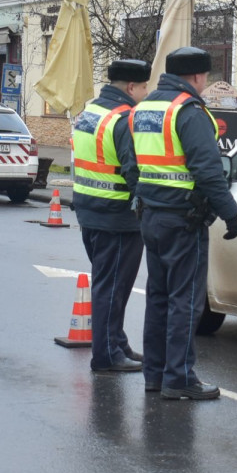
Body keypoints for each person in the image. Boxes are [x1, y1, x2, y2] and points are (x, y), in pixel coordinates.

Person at [132, 46, 237, 400]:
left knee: (158, 297)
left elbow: (132, 163)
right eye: (205, 77)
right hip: (183, 218)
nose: (206, 83)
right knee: (185, 299)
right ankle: (178, 378)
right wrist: (229, 211)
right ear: (196, 76)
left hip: (151, 214)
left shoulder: (144, 107)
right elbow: (208, 170)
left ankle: (155, 374)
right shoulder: (188, 110)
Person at [72, 59, 152, 374]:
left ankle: (116, 341)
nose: (145, 93)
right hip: (117, 216)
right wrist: (145, 205)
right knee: (112, 286)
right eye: (144, 87)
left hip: (90, 211)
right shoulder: (124, 119)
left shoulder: (90, 113)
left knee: (109, 283)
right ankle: (106, 353)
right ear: (131, 87)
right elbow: (133, 170)